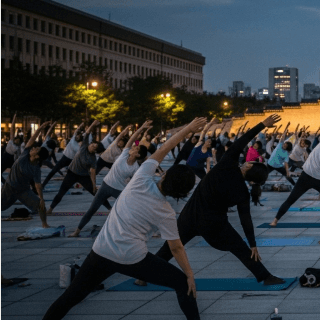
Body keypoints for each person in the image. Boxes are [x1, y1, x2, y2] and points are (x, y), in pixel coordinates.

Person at [42, 118, 208, 320]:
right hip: (132, 259)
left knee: (71, 297)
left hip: (101, 251)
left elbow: (167, 146)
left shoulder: (142, 176)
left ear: (164, 176)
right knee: (182, 283)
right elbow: (176, 247)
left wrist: (189, 128)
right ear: (182, 192)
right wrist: (189, 274)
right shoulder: (166, 212)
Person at [142, 114, 286, 287]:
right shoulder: (242, 192)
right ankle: (265, 276)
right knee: (240, 247)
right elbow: (245, 219)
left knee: (168, 248)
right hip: (213, 224)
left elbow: (243, 139)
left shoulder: (227, 164)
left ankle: (143, 275)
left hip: (190, 215)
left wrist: (263, 124)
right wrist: (253, 244)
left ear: (248, 165)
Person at [69, 122, 152, 237]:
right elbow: (133, 140)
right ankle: (77, 231)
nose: (133, 147)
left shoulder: (135, 167)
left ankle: (138, 230)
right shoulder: (124, 154)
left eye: (135, 148)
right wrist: (141, 128)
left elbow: (137, 182)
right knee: (92, 209)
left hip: (118, 189)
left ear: (138, 155)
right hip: (105, 185)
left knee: (128, 211)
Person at [1, 122, 51, 228]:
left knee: (40, 205)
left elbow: (38, 184)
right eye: (34, 148)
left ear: (37, 156)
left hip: (24, 191)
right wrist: (41, 127)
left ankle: (45, 224)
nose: (33, 148)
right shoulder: (25, 154)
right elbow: (32, 139)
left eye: (36, 149)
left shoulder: (36, 168)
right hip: (9, 188)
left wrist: (41, 198)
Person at [48, 136, 107, 214]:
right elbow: (87, 133)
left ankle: (110, 208)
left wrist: (93, 185)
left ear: (95, 151)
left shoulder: (92, 158)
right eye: (92, 144)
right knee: (61, 192)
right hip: (71, 173)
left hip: (83, 176)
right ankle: (50, 209)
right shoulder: (84, 146)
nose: (91, 146)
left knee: (95, 192)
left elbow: (92, 172)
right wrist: (93, 124)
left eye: (94, 147)